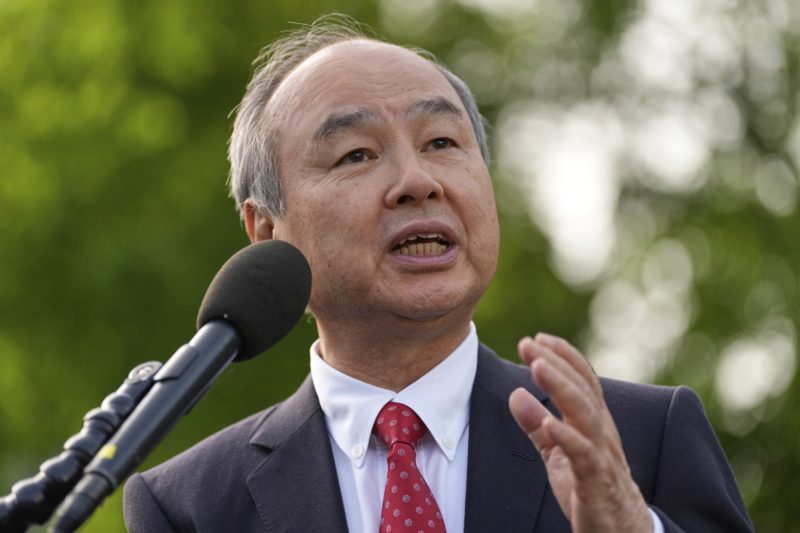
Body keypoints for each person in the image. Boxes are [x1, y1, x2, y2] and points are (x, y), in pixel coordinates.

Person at [123, 15, 753, 533]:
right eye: (356, 154)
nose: (417, 181)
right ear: (265, 231)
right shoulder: (189, 506)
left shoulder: (643, 438)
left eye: (443, 143)